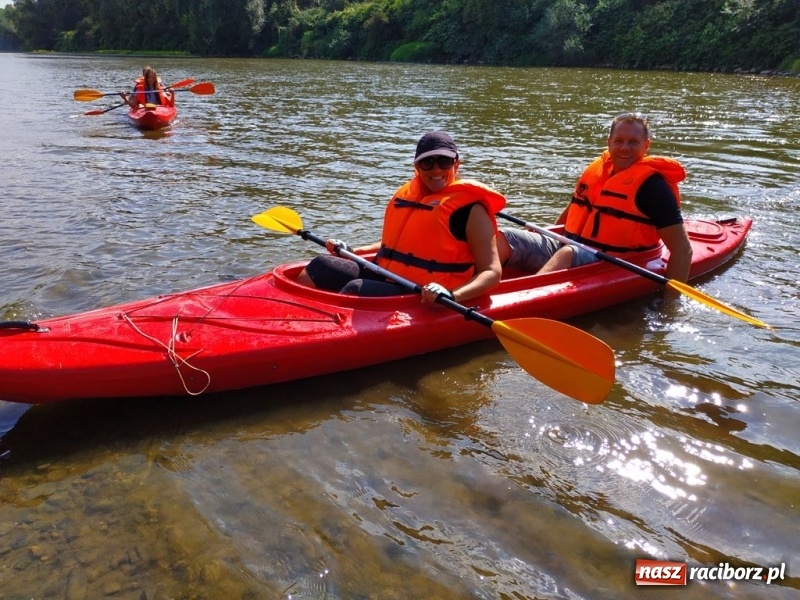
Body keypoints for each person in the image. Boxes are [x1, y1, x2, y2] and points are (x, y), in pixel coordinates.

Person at [296, 131, 506, 304]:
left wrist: (452, 295)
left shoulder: (471, 210)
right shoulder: (407, 196)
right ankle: (296, 320)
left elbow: (491, 272)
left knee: (356, 289)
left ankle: (324, 341)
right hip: (387, 275)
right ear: (417, 167)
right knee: (321, 266)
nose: (436, 170)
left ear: (456, 164)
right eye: (427, 163)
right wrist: (353, 252)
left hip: (426, 294)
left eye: (444, 162)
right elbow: (395, 247)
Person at [497, 112, 692, 294]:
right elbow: (575, 207)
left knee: (568, 253)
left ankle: (528, 298)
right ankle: (474, 286)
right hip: (569, 245)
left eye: (633, 142)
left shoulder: (653, 187)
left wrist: (670, 304)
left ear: (646, 146)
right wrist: (545, 234)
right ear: (609, 143)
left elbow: (682, 250)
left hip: (612, 261)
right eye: (619, 141)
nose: (625, 148)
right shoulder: (599, 170)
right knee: (505, 237)